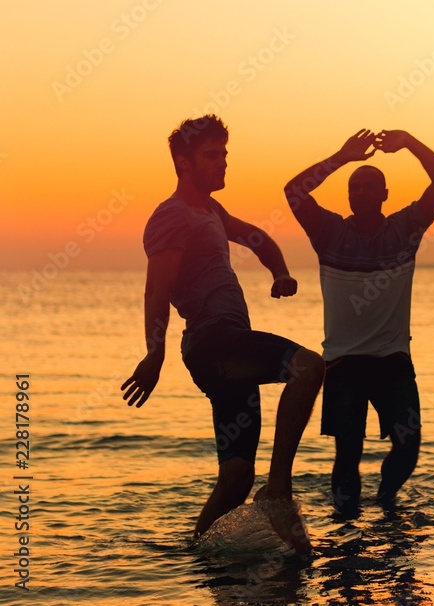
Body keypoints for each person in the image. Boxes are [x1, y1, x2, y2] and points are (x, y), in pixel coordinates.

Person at [121, 115, 324, 553]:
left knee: (235, 478)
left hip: (227, 347)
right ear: (183, 163)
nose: (223, 163)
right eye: (211, 156)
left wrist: (281, 271)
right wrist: (153, 354)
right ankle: (279, 491)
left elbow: (256, 236)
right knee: (308, 367)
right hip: (213, 342)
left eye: (225, 154)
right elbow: (156, 289)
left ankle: (197, 559)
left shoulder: (210, 211)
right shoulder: (171, 217)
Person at [283, 128, 434, 518]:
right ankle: (346, 532)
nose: (361, 193)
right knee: (347, 454)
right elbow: (293, 192)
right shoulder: (330, 232)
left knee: (408, 446)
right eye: (355, 188)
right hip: (343, 363)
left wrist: (409, 141)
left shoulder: (404, 230)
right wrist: (342, 157)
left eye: (370, 187)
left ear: (385, 194)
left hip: (392, 359)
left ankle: (386, 502)